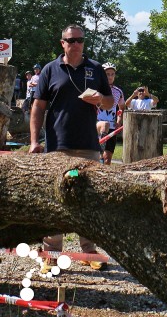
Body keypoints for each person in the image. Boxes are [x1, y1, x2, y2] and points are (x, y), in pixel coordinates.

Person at [29, 24, 114, 272]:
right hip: (57, 145)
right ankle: (51, 253)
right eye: (71, 40)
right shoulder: (49, 69)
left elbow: (110, 100)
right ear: (62, 43)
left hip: (88, 145)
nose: (76, 44)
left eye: (80, 40)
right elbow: (37, 107)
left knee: (88, 198)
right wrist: (35, 141)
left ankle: (88, 250)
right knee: (55, 199)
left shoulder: (96, 68)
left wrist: (100, 99)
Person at [97, 62, 125, 165]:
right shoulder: (96, 89)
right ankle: (75, 173)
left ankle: (104, 178)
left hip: (112, 126)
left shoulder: (118, 92)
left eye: (112, 74)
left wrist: (119, 120)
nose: (110, 77)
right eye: (107, 74)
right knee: (94, 159)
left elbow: (122, 107)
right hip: (97, 124)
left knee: (107, 160)